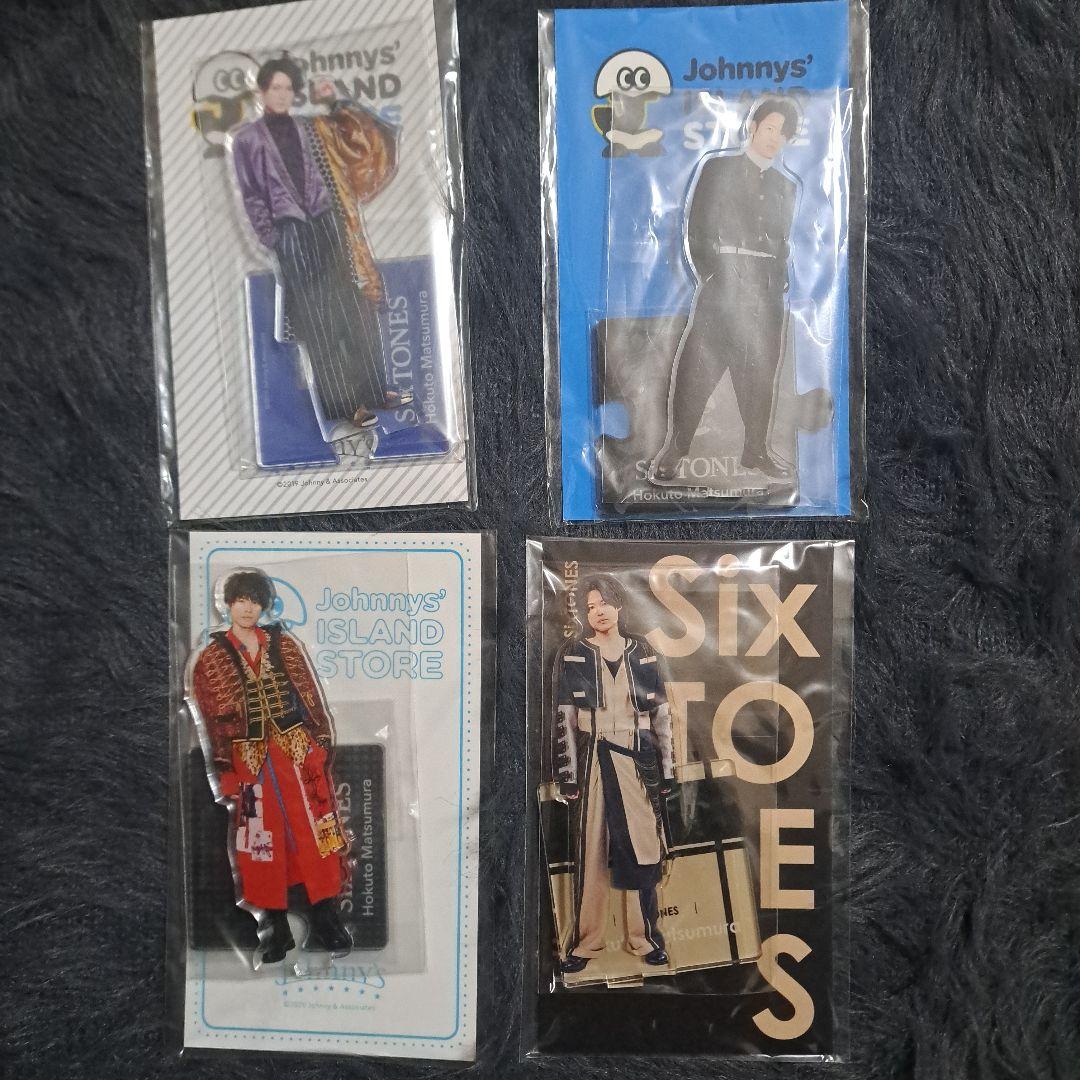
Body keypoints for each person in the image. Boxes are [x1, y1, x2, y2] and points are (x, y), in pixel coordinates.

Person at [230, 56, 412, 434]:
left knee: (354, 307)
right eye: (275, 88)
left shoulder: (309, 126)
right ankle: (344, 406)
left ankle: (375, 391)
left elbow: (357, 140)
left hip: (326, 222)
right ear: (262, 91)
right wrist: (272, 237)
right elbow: (251, 194)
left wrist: (334, 100)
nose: (282, 94)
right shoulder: (247, 139)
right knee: (317, 321)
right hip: (290, 233)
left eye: (287, 88)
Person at [190, 568, 352, 965]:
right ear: (228, 605)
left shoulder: (285, 645)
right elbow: (212, 721)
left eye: (255, 601)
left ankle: (326, 915)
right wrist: (226, 771)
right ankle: (275, 926)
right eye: (241, 601)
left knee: (315, 833)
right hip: (249, 762)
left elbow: (309, 694)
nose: (248, 609)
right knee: (259, 841)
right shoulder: (210, 659)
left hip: (296, 751)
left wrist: (319, 742)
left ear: (264, 606)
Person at [651, 97, 800, 484]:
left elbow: (782, 242)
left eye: (783, 133)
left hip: (767, 293)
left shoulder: (786, 187)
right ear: (753, 127)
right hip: (723, 283)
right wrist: (713, 274)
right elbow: (697, 228)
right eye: (770, 128)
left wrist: (777, 282)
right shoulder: (718, 168)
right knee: (697, 368)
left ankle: (756, 451)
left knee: (761, 373)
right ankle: (675, 448)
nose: (774, 138)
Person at [552, 574, 675, 974]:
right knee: (591, 850)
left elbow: (661, 714)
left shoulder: (643, 651)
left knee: (641, 846)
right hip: (594, 755)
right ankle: (587, 942)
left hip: (637, 756)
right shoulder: (575, 653)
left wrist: (667, 769)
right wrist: (568, 775)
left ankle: (644, 938)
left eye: (603, 603)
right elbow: (565, 718)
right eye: (590, 607)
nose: (598, 612)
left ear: (619, 605)